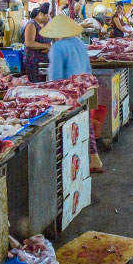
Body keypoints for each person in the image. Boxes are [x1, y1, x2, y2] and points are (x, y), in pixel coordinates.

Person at [42, 14, 102, 173]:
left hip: (67, 95)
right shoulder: (80, 44)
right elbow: (88, 70)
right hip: (84, 91)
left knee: (68, 129)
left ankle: (72, 164)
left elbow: (56, 77)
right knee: (85, 122)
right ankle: (93, 157)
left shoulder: (58, 47)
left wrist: (50, 95)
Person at [23, 3, 52, 83]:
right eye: (48, 15)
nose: (49, 17)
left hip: (43, 60)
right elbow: (29, 43)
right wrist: (46, 46)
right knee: (36, 85)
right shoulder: (32, 25)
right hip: (32, 61)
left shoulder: (45, 24)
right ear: (40, 14)